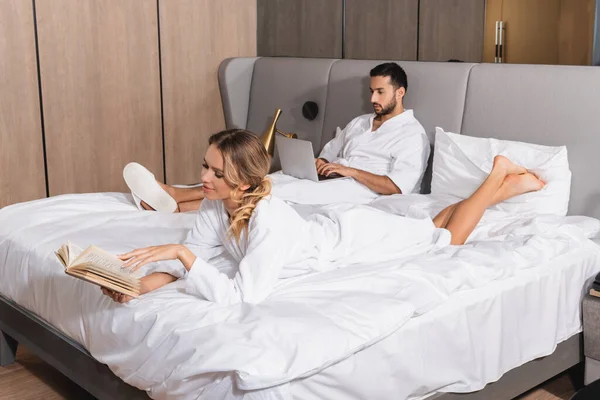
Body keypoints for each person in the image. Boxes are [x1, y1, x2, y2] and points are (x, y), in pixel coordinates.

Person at [103, 129, 545, 305]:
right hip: (339, 226)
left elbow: (243, 296)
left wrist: (179, 253)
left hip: (356, 238)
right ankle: (503, 187)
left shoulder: (267, 220)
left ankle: (498, 174)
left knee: (444, 239)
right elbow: (193, 258)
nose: (202, 177)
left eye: (215, 172)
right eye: (204, 165)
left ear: (242, 183)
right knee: (431, 226)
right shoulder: (221, 207)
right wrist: (138, 286)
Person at [122, 62, 430, 212]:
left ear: (399, 93)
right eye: (371, 91)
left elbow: (397, 187)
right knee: (261, 183)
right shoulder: (361, 123)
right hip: (329, 179)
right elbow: (329, 153)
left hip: (363, 193)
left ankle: (174, 201)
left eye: (380, 92)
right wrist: (321, 163)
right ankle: (175, 196)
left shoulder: (412, 137)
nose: (373, 98)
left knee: (267, 193)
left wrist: (349, 171)